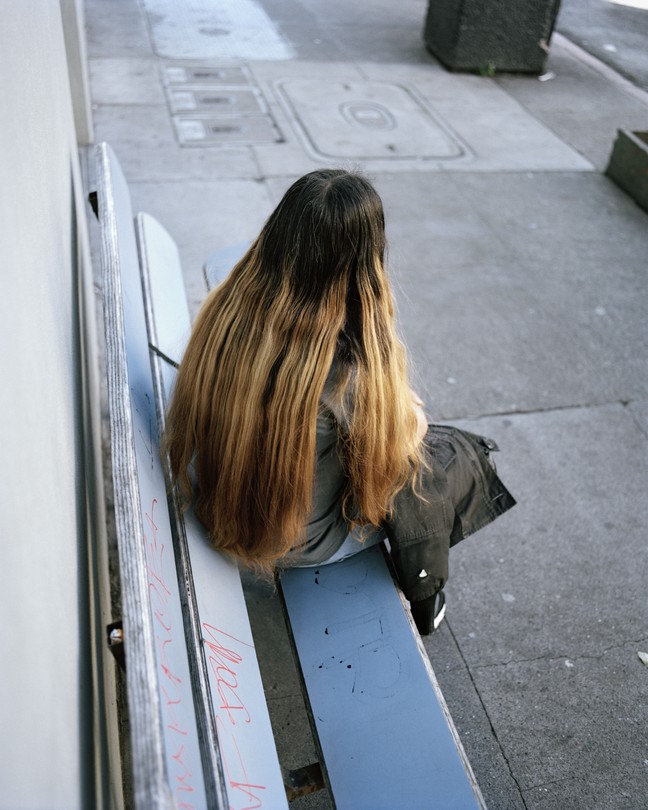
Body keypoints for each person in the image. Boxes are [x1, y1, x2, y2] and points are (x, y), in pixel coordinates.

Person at [163, 169, 515, 635]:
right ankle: (426, 591)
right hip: (293, 542)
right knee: (437, 465)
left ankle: (426, 588)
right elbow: (394, 455)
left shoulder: (229, 306)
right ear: (365, 261)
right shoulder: (348, 368)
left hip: (218, 499)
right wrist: (408, 412)